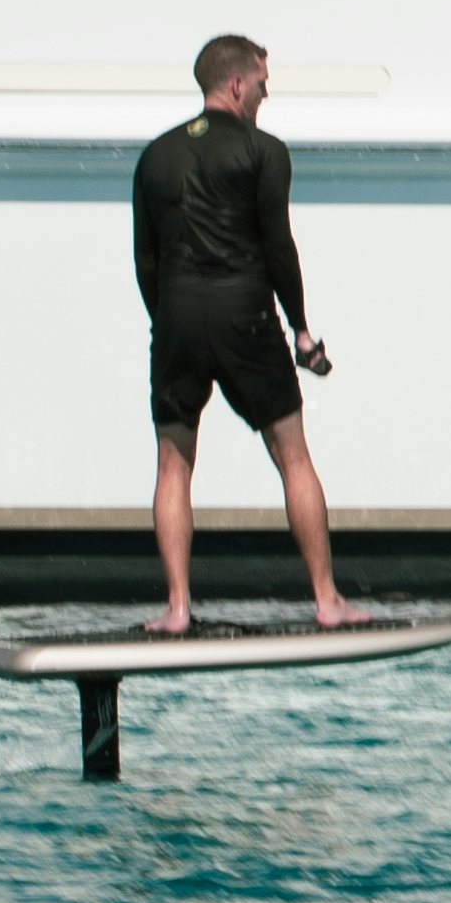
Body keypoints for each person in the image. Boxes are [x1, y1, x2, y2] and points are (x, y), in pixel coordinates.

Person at [136, 34, 357, 635]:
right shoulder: (266, 151)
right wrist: (301, 329)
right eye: (262, 79)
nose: (267, 89)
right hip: (245, 315)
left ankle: (178, 608)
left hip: (177, 316)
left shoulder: (155, 156)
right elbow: (278, 247)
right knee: (293, 456)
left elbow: (146, 259)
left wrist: (168, 324)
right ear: (235, 84)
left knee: (172, 466)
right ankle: (326, 599)